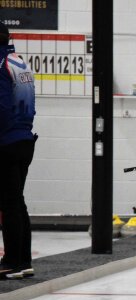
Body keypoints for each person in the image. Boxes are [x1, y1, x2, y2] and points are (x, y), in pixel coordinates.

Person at [0, 23, 37, 280]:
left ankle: (12, 261)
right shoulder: (19, 61)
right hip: (25, 139)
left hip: (7, 142)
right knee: (18, 202)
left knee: (9, 203)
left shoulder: (0, 65)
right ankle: (24, 260)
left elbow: (1, 109)